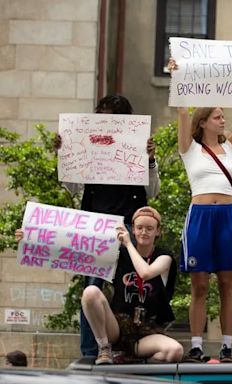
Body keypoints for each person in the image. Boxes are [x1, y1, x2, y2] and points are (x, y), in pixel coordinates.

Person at [167, 56, 232, 363]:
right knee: (199, 284)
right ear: (204, 122)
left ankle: (226, 347)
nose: (224, 120)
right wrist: (176, 75)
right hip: (199, 217)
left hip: (227, 218)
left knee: (227, 283)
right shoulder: (189, 149)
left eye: (224, 116)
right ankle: (196, 345)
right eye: (219, 116)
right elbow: (182, 110)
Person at [55, 94, 161, 357]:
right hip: (94, 225)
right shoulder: (88, 147)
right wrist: (64, 154)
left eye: (110, 115)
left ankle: (126, 346)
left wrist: (149, 159)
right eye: (101, 113)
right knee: (92, 288)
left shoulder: (136, 148)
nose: (104, 120)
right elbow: (71, 186)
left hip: (127, 225)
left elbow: (153, 191)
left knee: (129, 288)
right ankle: (91, 351)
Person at [80, 206, 182, 364]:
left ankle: (136, 363)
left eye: (149, 228)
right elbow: (83, 252)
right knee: (90, 292)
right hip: (118, 329)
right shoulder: (118, 254)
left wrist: (128, 244)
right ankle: (104, 348)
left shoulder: (164, 257)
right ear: (132, 229)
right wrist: (27, 238)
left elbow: (145, 273)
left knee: (175, 351)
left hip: (147, 332)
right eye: (139, 228)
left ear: (158, 231)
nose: (144, 232)